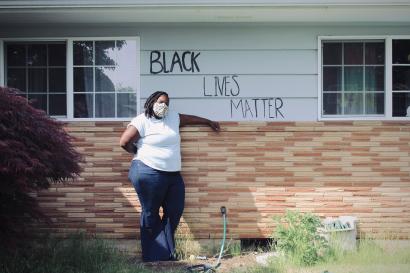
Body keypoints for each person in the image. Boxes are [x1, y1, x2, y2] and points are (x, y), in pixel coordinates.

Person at [119, 91, 220, 262]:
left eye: (166, 103)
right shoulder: (142, 120)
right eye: (160, 102)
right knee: (150, 213)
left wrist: (208, 122)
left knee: (175, 209)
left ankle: (165, 250)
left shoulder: (173, 117)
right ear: (152, 102)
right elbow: (124, 141)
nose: (163, 106)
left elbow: (190, 119)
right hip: (147, 171)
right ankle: (155, 255)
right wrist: (137, 152)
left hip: (172, 175)